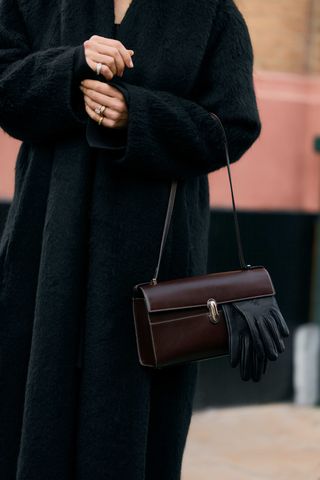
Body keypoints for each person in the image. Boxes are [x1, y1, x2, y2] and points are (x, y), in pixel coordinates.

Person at [0, 0, 261, 478]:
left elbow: (234, 124)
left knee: (133, 428)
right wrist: (72, 64)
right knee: (31, 407)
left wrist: (139, 116)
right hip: (46, 248)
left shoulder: (212, 13)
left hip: (153, 263)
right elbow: (5, 86)